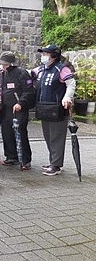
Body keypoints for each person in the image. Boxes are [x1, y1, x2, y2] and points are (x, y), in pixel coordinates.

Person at [35, 45, 75, 176]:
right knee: (48, 136)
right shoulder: (42, 69)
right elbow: (28, 74)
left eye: (45, 54)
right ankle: (53, 161)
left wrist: (67, 97)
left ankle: (56, 165)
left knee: (56, 137)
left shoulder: (62, 69)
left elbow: (71, 83)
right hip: (44, 107)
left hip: (57, 109)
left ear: (54, 56)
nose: (43, 56)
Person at [0, 51, 35, 170]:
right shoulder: (3, 74)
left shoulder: (21, 73)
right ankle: (11, 156)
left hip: (19, 109)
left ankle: (25, 160)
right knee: (6, 132)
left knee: (20, 133)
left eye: (4, 63)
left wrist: (21, 102)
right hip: (6, 109)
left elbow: (29, 91)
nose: (2, 65)